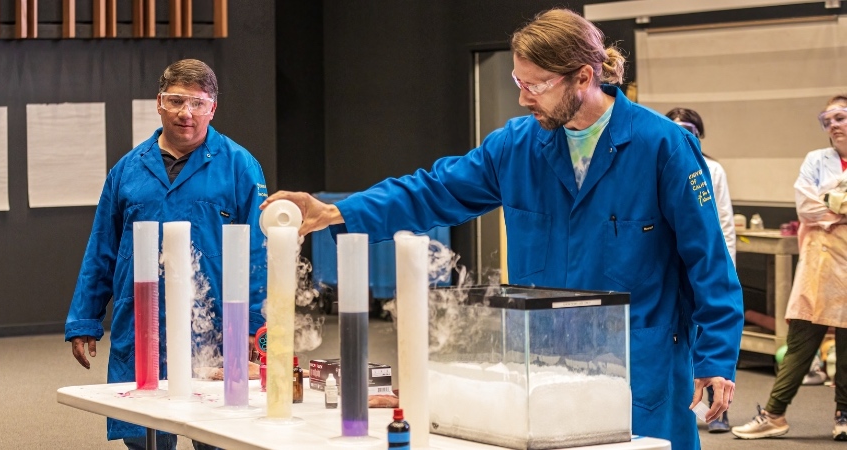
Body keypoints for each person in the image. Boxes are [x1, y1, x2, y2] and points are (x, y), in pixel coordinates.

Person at [263, 8, 743, 450]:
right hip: (544, 360)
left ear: (584, 77)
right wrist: (338, 212)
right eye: (519, 80)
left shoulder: (663, 146)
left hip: (642, 361)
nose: (521, 96)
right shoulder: (515, 146)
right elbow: (431, 190)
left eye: (537, 84)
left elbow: (708, 259)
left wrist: (716, 356)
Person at [64, 59, 267, 450]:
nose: (185, 113)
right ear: (159, 102)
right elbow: (102, 247)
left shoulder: (241, 166)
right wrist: (84, 318)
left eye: (197, 103)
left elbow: (258, 255)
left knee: (220, 433)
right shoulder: (127, 170)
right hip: (144, 323)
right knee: (145, 432)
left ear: (213, 108)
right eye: (176, 100)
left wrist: (257, 328)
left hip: (217, 326)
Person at [732, 95, 847, 441]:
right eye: (828, 120)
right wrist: (839, 207)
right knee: (800, 342)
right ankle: (775, 414)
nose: (834, 125)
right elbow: (805, 206)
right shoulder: (816, 160)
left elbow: (819, 205)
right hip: (819, 266)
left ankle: (844, 415)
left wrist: (830, 202)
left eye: (841, 117)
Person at [666, 107, 736, 433]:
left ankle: (720, 408)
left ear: (700, 133)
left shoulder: (713, 169)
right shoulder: (665, 162)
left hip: (707, 266)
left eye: (690, 128)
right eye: (677, 127)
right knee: (686, 339)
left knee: (714, 334)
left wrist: (726, 270)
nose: (685, 133)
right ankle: (693, 400)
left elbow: (722, 225)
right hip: (676, 270)